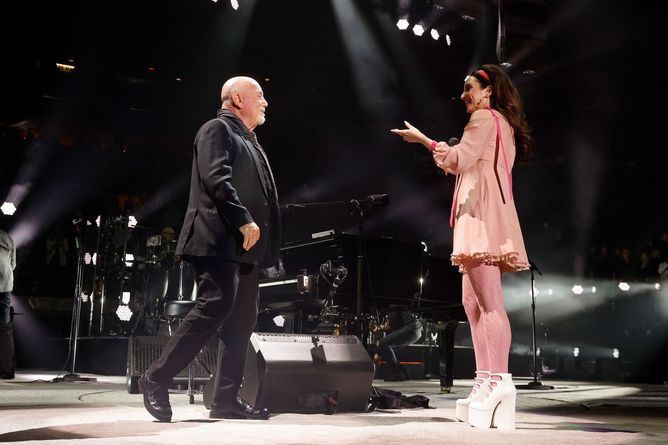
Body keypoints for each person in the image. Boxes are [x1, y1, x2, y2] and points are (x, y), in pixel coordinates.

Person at [391, 64, 532, 430]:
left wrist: (424, 141)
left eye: (469, 87)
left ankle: (499, 381)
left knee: (489, 304)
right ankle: (485, 379)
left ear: (488, 91)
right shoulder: (500, 122)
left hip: (482, 213)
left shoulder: (484, 118)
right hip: (480, 211)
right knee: (473, 304)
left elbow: (459, 159)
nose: (463, 94)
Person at [139, 76, 281, 422]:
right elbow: (217, 179)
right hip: (218, 238)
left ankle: (225, 399)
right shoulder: (216, 130)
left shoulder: (251, 142)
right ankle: (155, 378)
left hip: (245, 246)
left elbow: (265, 197)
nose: (265, 102)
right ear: (237, 99)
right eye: (259, 95)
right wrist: (243, 220)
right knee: (215, 305)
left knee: (242, 321)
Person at [372, 309, 423, 382]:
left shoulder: (392, 308)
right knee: (386, 347)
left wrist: (378, 352)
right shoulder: (393, 309)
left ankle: (398, 374)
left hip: (412, 328)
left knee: (383, 343)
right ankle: (402, 373)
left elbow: (393, 324)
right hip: (416, 330)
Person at [0, 228, 16, 379]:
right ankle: (7, 369)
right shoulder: (7, 238)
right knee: (5, 327)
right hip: (5, 285)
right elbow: (13, 264)